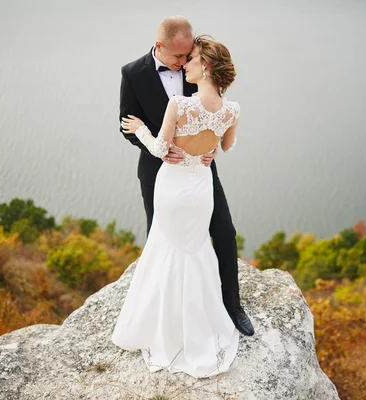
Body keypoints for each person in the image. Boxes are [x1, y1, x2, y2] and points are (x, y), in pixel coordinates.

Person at [111, 33, 242, 378]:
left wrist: (140, 129)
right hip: (200, 187)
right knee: (196, 249)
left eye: (193, 58)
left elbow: (159, 149)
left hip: (172, 185)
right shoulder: (233, 110)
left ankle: (165, 324)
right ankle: (204, 321)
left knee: (166, 247)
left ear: (207, 66)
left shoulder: (180, 106)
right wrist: (210, 147)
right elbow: (227, 147)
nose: (185, 64)